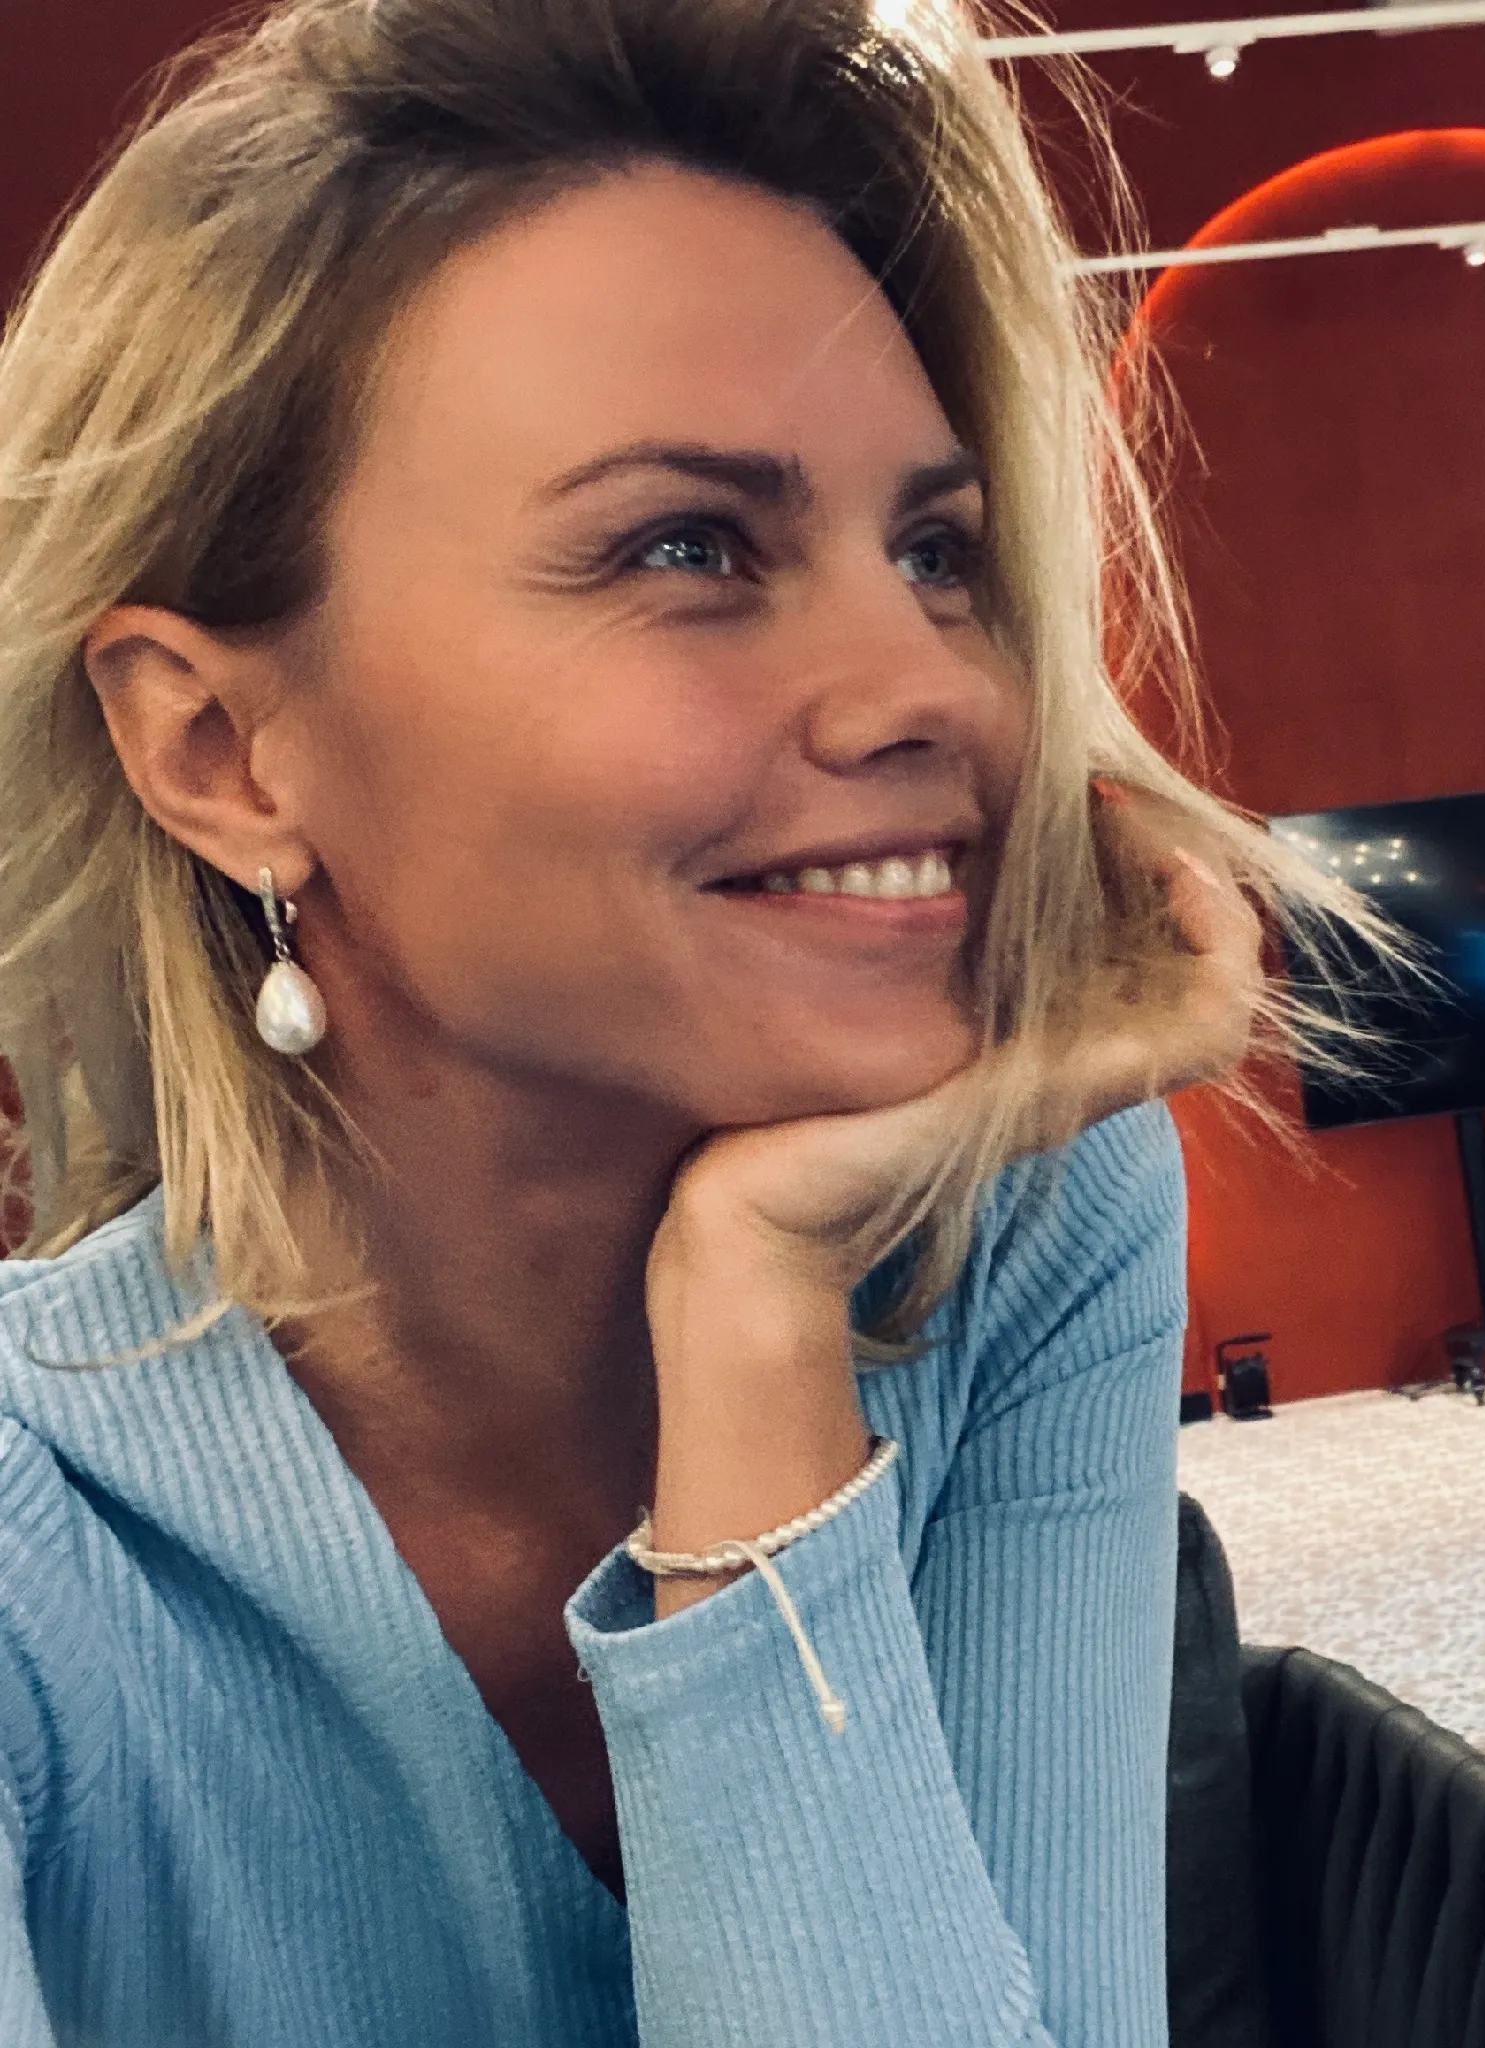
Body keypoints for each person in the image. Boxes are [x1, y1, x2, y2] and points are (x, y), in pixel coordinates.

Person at [0, 1, 1389, 2041]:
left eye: (935, 552)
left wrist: (758, 1322)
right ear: (217, 749)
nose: (933, 687)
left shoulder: (1020, 1231)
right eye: (687, 547)